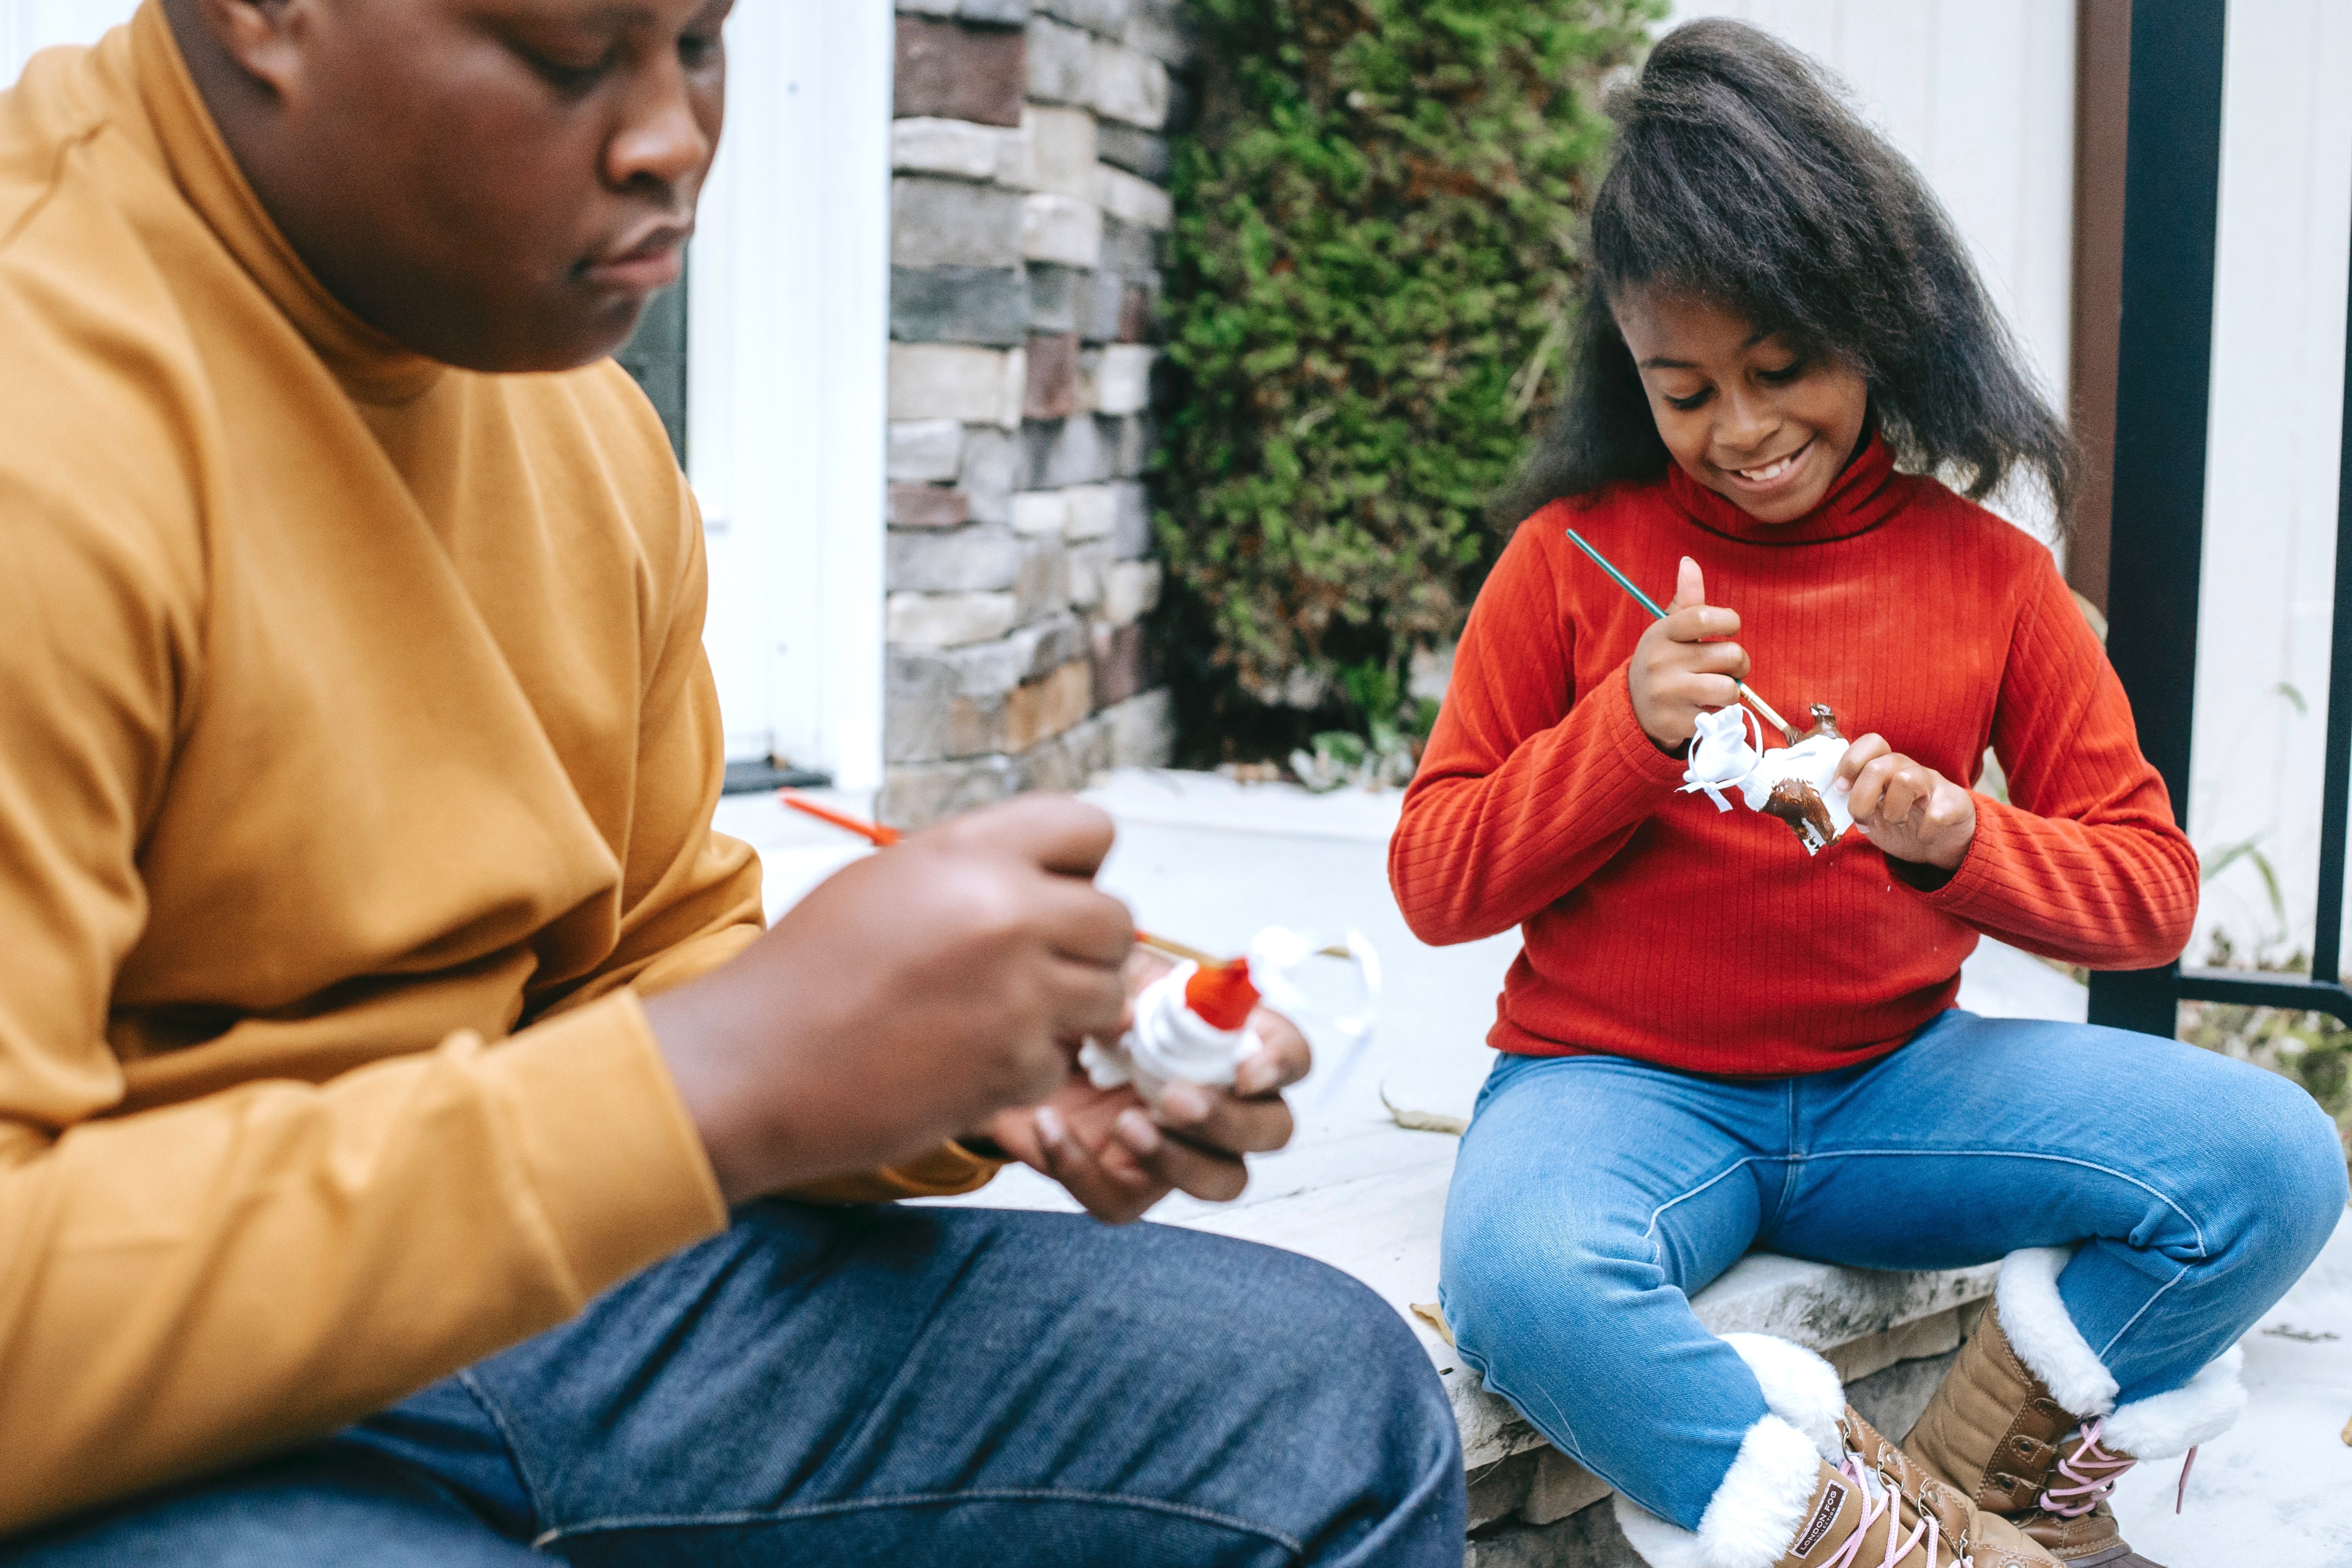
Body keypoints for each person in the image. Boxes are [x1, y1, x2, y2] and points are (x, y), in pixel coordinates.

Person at [0, 1, 1466, 1562]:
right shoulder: (52, 408)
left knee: (1328, 1420)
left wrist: (947, 1069)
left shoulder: (565, 402)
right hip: (132, 1382)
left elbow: (643, 960)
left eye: (697, 44)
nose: (672, 141)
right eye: (572, 60)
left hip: (530, 1297)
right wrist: (704, 1084)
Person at [1390, 20, 2346, 1568]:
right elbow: (1436, 878)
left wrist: (1954, 835)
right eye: (1685, 389)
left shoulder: (1991, 580)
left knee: (2277, 1158)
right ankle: (1855, 1531)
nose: (1746, 430)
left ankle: (2008, 1464)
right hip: (1614, 1086)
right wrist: (1622, 732)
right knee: (1524, 1281)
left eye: (1783, 370)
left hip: (1896, 1091)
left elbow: (2151, 895)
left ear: (1881, 331)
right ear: (1630, 371)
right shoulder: (1576, 557)